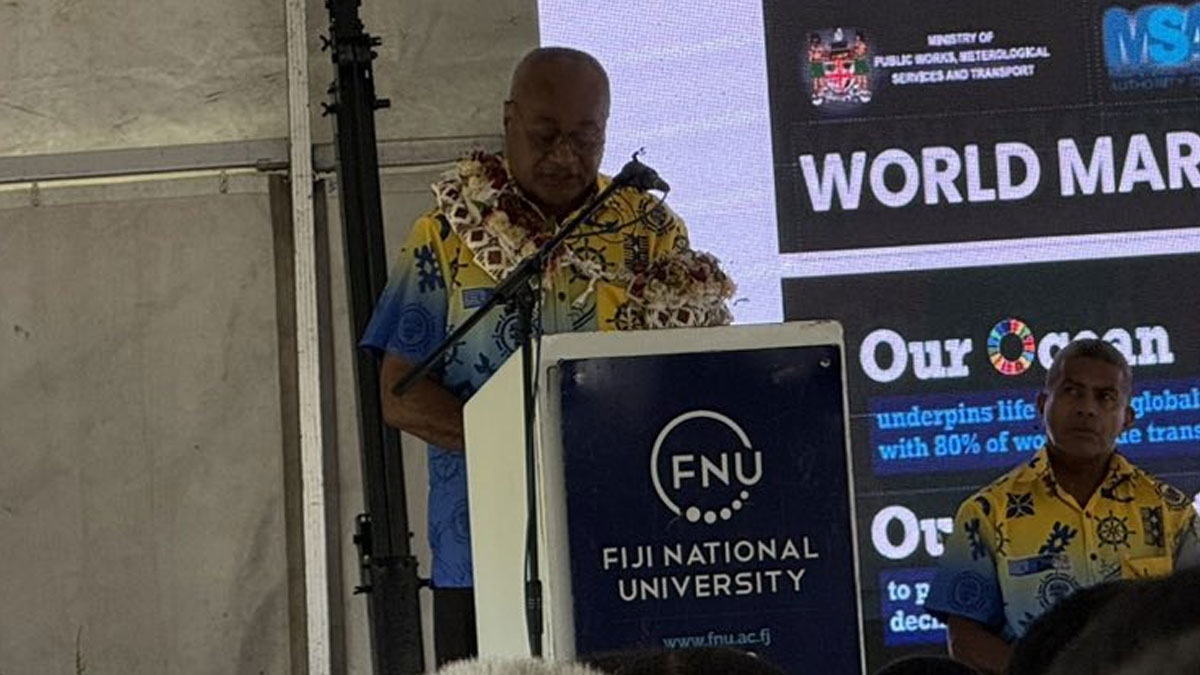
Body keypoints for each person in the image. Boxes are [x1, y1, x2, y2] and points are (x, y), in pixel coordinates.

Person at [360, 47, 733, 665]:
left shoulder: (650, 230)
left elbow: (689, 375)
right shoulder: (447, 233)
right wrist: (533, 452)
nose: (565, 157)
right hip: (484, 555)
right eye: (545, 135)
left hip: (628, 551)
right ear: (509, 120)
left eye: (586, 139)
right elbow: (400, 395)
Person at [924, 339, 1200, 675]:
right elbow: (964, 638)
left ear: (1127, 418)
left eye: (1105, 397)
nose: (1087, 408)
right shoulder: (986, 513)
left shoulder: (1172, 513)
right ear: (1042, 405)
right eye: (1072, 392)